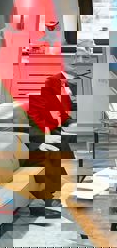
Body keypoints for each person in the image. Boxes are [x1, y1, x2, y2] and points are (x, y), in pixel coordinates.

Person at [23, 72, 76, 203]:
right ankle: (53, 196)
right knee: (57, 148)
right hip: (36, 140)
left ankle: (69, 184)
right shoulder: (36, 101)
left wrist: (71, 123)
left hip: (51, 134)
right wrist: (45, 140)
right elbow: (32, 127)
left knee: (73, 139)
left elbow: (63, 117)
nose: (68, 91)